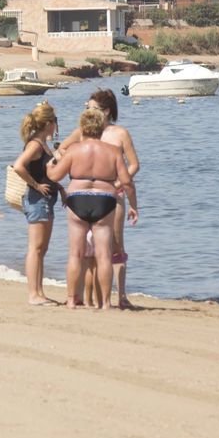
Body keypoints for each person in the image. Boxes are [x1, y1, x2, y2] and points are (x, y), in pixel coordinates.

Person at [58, 89, 141, 308]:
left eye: (93, 108)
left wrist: (116, 184)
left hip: (113, 194)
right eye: (87, 108)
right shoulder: (82, 131)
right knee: (87, 249)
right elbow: (62, 149)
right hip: (87, 196)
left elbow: (134, 165)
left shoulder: (120, 133)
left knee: (115, 245)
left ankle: (121, 295)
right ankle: (89, 297)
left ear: (107, 111)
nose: (89, 112)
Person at [11, 102, 60, 306]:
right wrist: (36, 185)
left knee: (42, 249)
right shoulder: (35, 144)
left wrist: (61, 189)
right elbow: (18, 166)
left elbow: (44, 172)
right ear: (48, 123)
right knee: (35, 248)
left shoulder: (42, 143)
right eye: (55, 121)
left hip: (45, 200)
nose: (56, 125)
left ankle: (39, 292)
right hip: (37, 199)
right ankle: (33, 294)